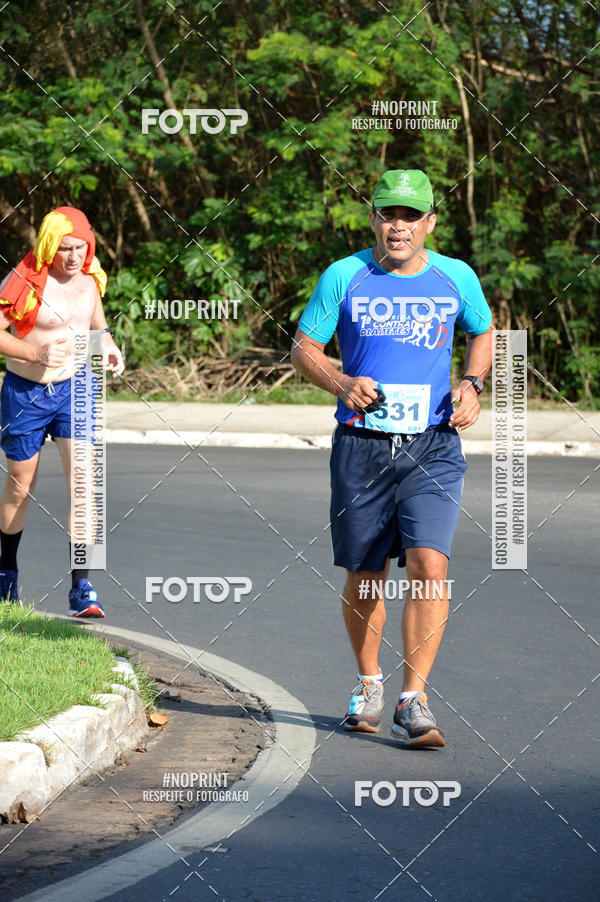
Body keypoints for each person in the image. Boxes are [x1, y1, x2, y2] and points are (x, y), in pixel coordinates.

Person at [291, 169, 493, 748]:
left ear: (430, 222)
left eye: (410, 216)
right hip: (362, 445)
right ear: (373, 219)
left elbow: (483, 332)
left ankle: (414, 699)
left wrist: (472, 383)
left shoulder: (456, 276)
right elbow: (304, 349)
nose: (398, 226)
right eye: (388, 214)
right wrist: (341, 382)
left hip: (433, 444)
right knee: (366, 573)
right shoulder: (345, 275)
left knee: (431, 565)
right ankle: (369, 682)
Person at [0, 206, 124, 617]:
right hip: (26, 393)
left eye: (80, 248)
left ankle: (82, 587)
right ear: (49, 245)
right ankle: (6, 572)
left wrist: (107, 343)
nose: (73, 257)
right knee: (20, 486)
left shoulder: (89, 277)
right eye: (65, 249)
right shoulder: (25, 281)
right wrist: (34, 353)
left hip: (76, 387)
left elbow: (94, 318)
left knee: (85, 485)